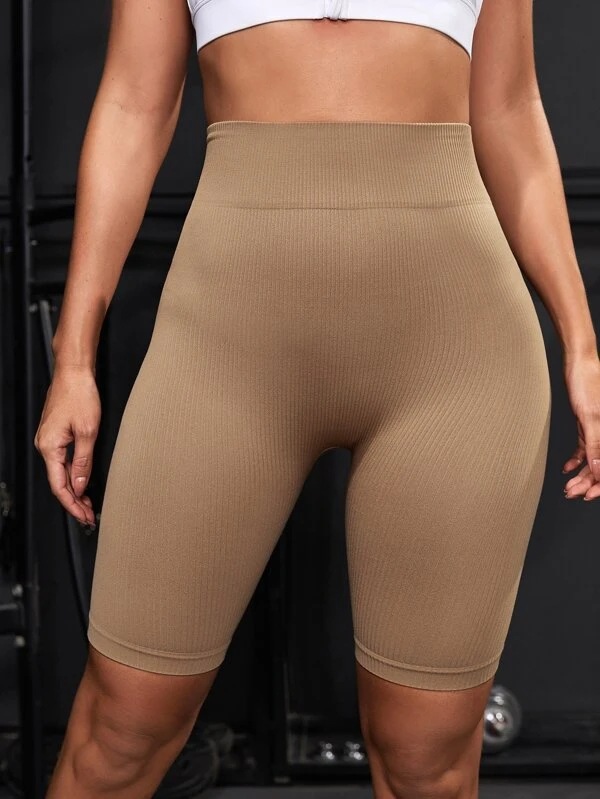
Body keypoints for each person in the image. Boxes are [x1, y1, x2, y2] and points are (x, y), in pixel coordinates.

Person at [34, 0, 600, 796]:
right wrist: (73, 359)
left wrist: (581, 341)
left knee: (427, 760)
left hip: (454, 348)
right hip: (227, 343)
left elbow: (509, 110)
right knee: (121, 733)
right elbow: (133, 104)